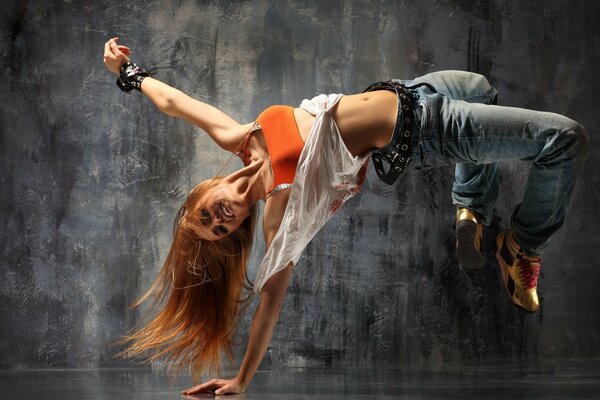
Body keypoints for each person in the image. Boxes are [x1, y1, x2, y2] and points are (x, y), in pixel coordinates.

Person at [103, 37, 589, 395]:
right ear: (235, 231)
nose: (220, 219)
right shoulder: (281, 211)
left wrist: (129, 74)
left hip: (414, 91)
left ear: (201, 192)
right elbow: (270, 301)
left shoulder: (242, 137)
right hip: (423, 131)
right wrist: (242, 379)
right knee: (564, 139)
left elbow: (178, 104)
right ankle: (523, 243)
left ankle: (472, 208)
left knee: (480, 87)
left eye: (207, 215)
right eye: (220, 229)